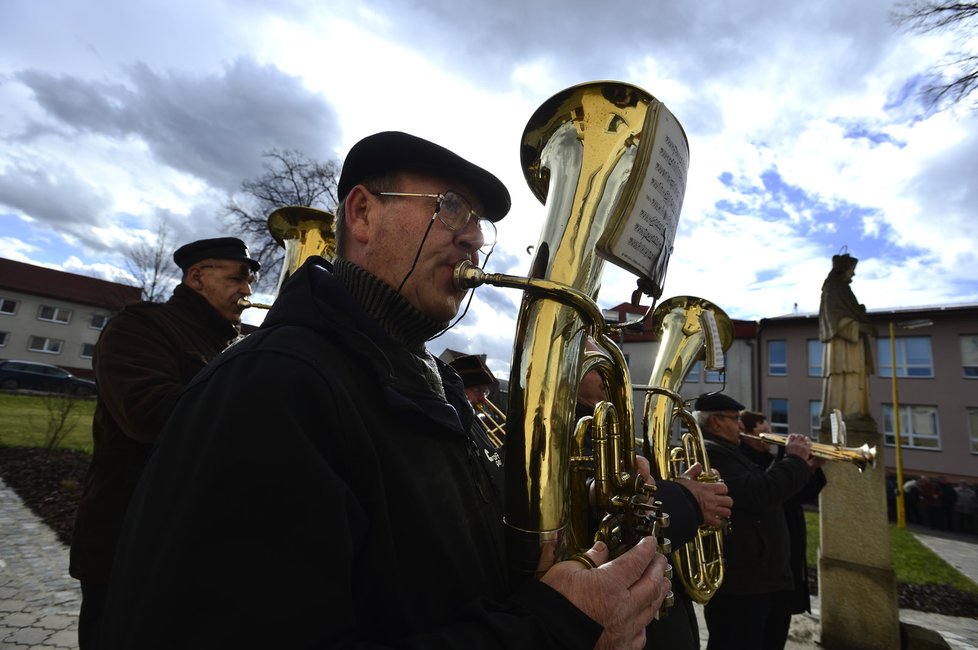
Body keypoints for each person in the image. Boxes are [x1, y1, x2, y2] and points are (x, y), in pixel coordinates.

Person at [98, 131, 671, 649]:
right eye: (451, 209)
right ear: (363, 215)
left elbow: (455, 536)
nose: (473, 239)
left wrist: (591, 495)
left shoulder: (432, 379)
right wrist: (551, 629)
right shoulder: (272, 384)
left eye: (479, 224)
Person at [69, 237, 260, 649]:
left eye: (251, 280)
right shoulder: (140, 326)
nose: (248, 290)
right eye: (239, 277)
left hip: (194, 546)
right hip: (126, 542)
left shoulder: (235, 343)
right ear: (197, 277)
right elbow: (147, 414)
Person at [577, 339, 733, 650]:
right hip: (625, 620)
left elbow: (636, 487)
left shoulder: (611, 430)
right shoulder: (576, 431)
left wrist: (682, 488)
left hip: (655, 606)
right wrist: (688, 499)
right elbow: (613, 510)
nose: (610, 373)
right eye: (596, 363)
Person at [695, 393, 813, 650]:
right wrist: (793, 460)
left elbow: (773, 490)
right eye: (735, 419)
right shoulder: (712, 453)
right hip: (743, 584)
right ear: (716, 422)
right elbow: (758, 493)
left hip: (761, 578)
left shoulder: (732, 452)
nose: (740, 425)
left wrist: (807, 466)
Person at [739, 410, 826, 650]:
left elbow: (800, 496)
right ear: (745, 434)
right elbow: (766, 492)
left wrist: (810, 468)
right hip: (764, 560)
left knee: (777, 630)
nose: (768, 437)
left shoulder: (771, 459)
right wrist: (792, 463)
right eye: (762, 432)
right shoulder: (743, 458)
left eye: (769, 430)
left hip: (787, 552)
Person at [818, 252, 877, 431]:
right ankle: (846, 413)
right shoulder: (833, 288)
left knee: (855, 375)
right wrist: (858, 326)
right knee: (845, 375)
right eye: (852, 270)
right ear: (843, 269)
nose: (853, 274)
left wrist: (858, 312)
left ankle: (855, 412)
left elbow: (846, 311)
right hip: (842, 345)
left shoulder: (843, 288)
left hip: (852, 344)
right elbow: (833, 317)